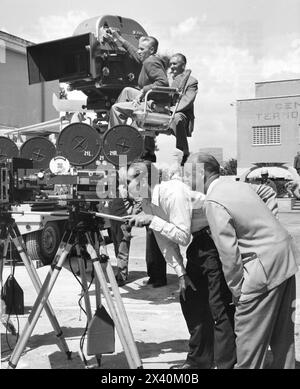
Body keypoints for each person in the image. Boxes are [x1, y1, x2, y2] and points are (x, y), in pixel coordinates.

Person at [125, 159, 236, 369]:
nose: (125, 185)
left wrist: (152, 220)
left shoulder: (172, 192)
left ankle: (225, 364)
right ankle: (199, 362)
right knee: (191, 300)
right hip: (201, 241)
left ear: (143, 179)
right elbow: (164, 241)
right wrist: (181, 273)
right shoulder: (148, 202)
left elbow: (182, 236)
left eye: (129, 180)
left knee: (218, 306)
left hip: (217, 238)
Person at [195, 153, 298, 369]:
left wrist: (238, 290)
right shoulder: (237, 185)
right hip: (284, 258)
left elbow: (229, 254)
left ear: (202, 172)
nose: (187, 179)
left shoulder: (213, 201)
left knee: (248, 343)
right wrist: (267, 227)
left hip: (262, 268)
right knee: (283, 338)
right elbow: (267, 191)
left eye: (188, 173)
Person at [106, 31, 169, 161]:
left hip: (153, 105)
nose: (139, 51)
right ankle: (118, 129)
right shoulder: (148, 58)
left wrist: (143, 91)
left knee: (116, 108)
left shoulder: (151, 62)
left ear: (151, 50)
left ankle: (114, 139)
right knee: (127, 91)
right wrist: (119, 38)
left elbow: (163, 83)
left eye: (142, 49)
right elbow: (134, 52)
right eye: (139, 48)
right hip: (150, 99)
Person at [167, 54, 198, 166]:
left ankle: (183, 152)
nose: (171, 66)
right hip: (164, 111)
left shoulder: (192, 82)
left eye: (174, 63)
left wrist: (169, 110)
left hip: (181, 113)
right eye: (170, 64)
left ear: (183, 65)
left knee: (177, 118)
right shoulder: (168, 80)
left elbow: (187, 100)